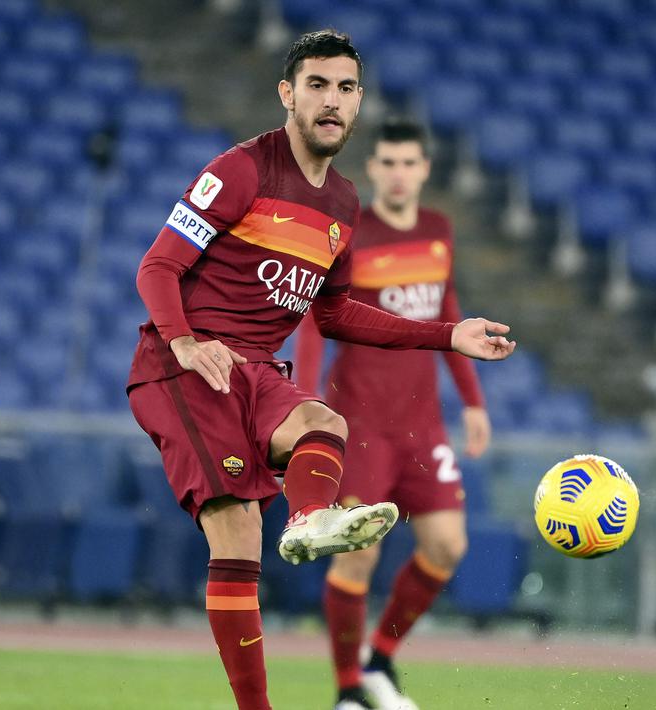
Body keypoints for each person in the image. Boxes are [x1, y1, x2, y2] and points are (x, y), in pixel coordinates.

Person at [126, 31, 515, 710]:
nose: (331, 100)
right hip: (183, 368)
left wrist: (447, 335)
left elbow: (335, 314)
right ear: (288, 94)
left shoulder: (342, 204)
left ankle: (308, 518)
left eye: (345, 88)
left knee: (322, 423)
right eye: (316, 85)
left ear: (358, 101)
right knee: (238, 534)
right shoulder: (241, 170)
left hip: (254, 370)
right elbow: (157, 266)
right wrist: (183, 342)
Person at [294, 119, 492, 710]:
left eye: (409, 163)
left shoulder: (438, 230)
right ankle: (348, 693)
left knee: (447, 546)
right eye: (388, 163)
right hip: (360, 425)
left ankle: (379, 660)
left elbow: (447, 312)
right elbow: (316, 320)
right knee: (358, 551)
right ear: (373, 169)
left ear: (424, 170)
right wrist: (304, 399)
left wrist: (473, 400)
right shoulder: (350, 231)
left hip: (422, 424)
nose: (399, 173)